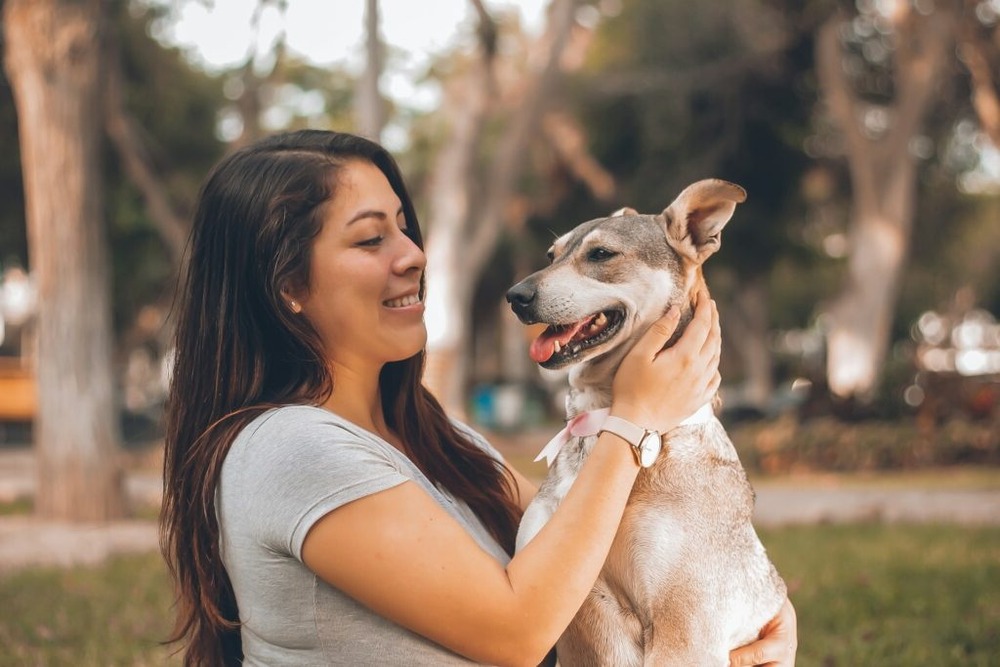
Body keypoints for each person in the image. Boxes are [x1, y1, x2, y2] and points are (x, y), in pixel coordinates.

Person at [161, 129, 797, 666]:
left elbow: (596, 546)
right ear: (286, 286)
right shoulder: (290, 450)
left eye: (406, 230)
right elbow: (519, 630)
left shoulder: (441, 439)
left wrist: (762, 614)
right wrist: (633, 418)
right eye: (370, 238)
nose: (413, 256)